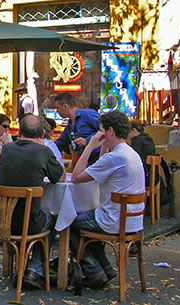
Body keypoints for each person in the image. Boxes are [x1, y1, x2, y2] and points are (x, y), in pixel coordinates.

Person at [70, 111, 145, 288]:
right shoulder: (129, 153)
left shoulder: (115, 157)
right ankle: (105, 267)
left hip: (113, 220)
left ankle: (94, 270)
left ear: (109, 131)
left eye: (101, 130)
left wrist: (89, 146)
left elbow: (76, 177)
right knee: (87, 220)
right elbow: (102, 167)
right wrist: (103, 147)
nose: (99, 133)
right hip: (132, 220)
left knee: (67, 222)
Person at [0, 114, 65, 289]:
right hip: (30, 223)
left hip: (1, 221)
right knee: (54, 219)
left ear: (19, 132)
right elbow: (60, 176)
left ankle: (22, 267)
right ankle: (35, 270)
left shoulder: (6, 149)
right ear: (42, 134)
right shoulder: (43, 151)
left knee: (33, 215)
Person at [54, 92, 101, 167]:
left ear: (65, 106)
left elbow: (105, 130)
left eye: (57, 108)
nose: (57, 111)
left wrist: (87, 140)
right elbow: (60, 144)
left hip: (99, 158)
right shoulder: (69, 126)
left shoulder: (88, 114)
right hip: (85, 161)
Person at [129, 120, 157, 187]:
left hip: (144, 177)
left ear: (134, 130)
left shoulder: (136, 141)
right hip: (154, 175)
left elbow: (132, 158)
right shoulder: (148, 138)